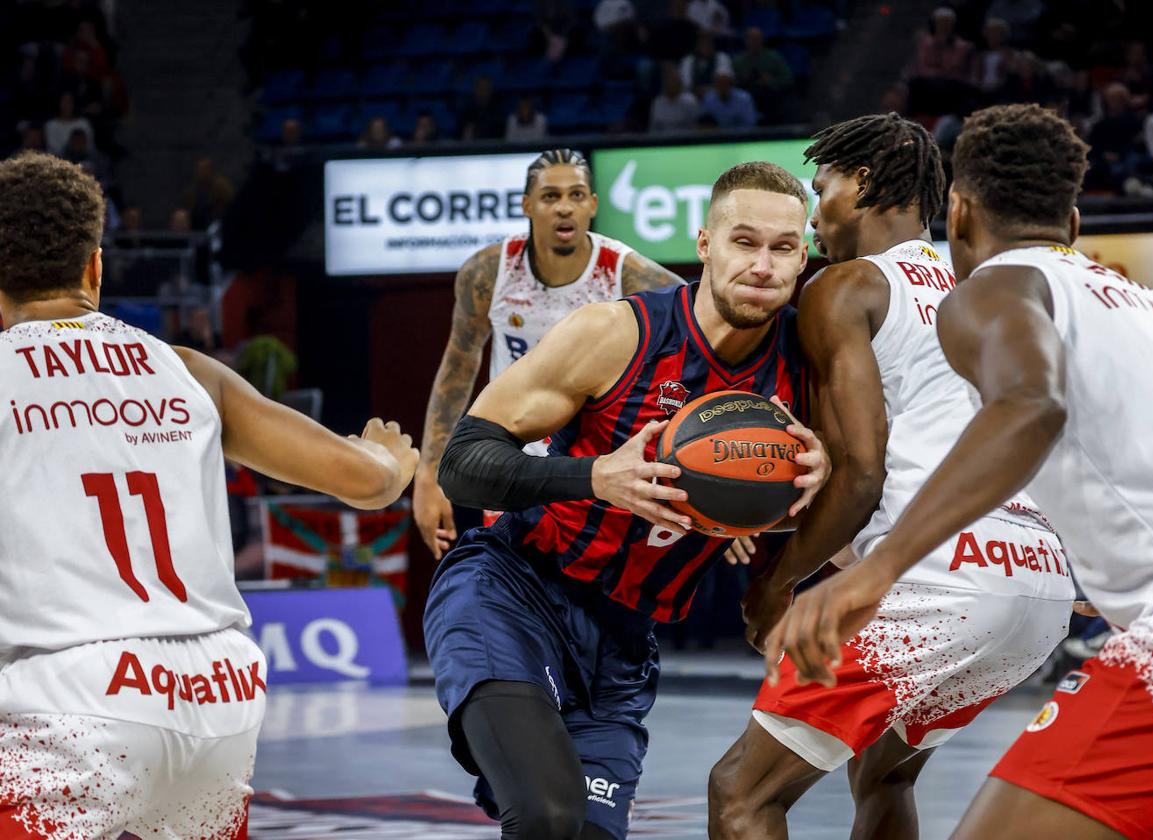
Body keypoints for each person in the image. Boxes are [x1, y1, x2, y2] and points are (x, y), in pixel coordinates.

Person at [766, 102, 1153, 839]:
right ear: (1075, 224)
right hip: (1074, 601)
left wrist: (876, 570)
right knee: (884, 774)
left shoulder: (995, 289)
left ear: (959, 213)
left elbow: (1031, 407)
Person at [0, 152, 419, 837]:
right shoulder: (187, 369)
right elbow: (366, 482)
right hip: (215, 694)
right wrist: (390, 457)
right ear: (95, 268)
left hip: (68, 699)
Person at [424, 160, 828, 840]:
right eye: (744, 241)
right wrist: (593, 477)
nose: (762, 264)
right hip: (512, 591)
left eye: (783, 247)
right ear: (705, 245)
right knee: (547, 816)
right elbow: (463, 464)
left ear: (804, 256)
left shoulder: (807, 373)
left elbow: (844, 508)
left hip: (624, 644)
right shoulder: (616, 333)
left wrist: (804, 499)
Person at [708, 113, 1075, 840]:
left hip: (941, 584)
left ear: (863, 183)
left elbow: (863, 473)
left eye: (823, 190)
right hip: (1039, 587)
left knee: (742, 795)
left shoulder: (846, 286)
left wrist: (774, 584)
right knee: (884, 772)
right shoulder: (981, 288)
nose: (816, 218)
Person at [412, 149, 684, 561]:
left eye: (576, 195)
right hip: (512, 461)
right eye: (550, 196)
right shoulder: (487, 272)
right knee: (513, 594)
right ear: (527, 205)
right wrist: (428, 475)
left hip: (593, 466)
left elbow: (699, 344)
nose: (564, 208)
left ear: (593, 205)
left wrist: (708, 470)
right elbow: (457, 369)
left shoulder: (630, 274)